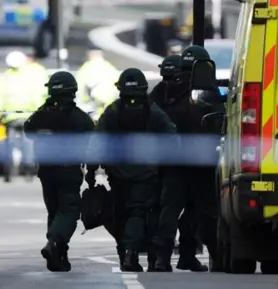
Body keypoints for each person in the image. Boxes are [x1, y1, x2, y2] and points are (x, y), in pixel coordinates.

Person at [86, 68, 179, 272]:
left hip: (117, 173)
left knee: (120, 214)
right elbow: (173, 139)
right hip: (146, 174)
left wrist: (91, 170)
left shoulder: (113, 111)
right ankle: (130, 253)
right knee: (138, 212)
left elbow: (96, 142)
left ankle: (126, 255)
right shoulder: (153, 112)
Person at [151, 45, 221, 272]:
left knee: (171, 209)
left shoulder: (164, 90)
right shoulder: (205, 92)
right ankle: (208, 255)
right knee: (203, 210)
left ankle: (163, 259)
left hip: (173, 160)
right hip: (200, 161)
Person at [23, 71, 95, 272]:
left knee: (55, 212)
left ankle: (57, 254)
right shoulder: (81, 119)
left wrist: (45, 110)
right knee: (69, 211)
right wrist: (92, 170)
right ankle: (54, 244)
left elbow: (28, 130)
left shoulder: (41, 115)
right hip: (68, 172)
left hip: (46, 172)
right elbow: (94, 143)